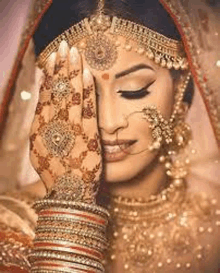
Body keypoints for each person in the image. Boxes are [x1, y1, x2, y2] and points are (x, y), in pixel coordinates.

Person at [0, 0, 219, 272]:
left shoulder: (216, 219)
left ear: (180, 87)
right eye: (82, 94)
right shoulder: (12, 225)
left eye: (134, 91)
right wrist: (69, 209)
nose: (109, 123)